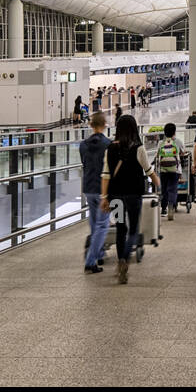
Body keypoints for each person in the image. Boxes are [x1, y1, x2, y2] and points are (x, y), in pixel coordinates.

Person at [99, 114, 159, 284]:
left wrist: (104, 197)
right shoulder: (138, 148)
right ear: (134, 129)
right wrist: (157, 182)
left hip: (116, 196)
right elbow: (148, 170)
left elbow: (105, 175)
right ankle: (125, 259)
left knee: (120, 228)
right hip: (133, 196)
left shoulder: (110, 148)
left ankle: (120, 261)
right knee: (133, 229)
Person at [80, 112, 112, 273]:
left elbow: (84, 164)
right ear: (104, 124)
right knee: (103, 224)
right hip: (102, 189)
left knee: (94, 224)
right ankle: (91, 261)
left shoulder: (83, 145)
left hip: (87, 187)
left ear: (91, 125)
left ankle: (99, 253)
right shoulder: (108, 144)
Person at [154, 122, 185, 221]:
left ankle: (163, 209)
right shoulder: (178, 142)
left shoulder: (160, 143)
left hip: (163, 169)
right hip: (175, 169)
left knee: (164, 189)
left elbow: (157, 155)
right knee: (173, 188)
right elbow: (183, 153)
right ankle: (172, 205)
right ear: (174, 132)